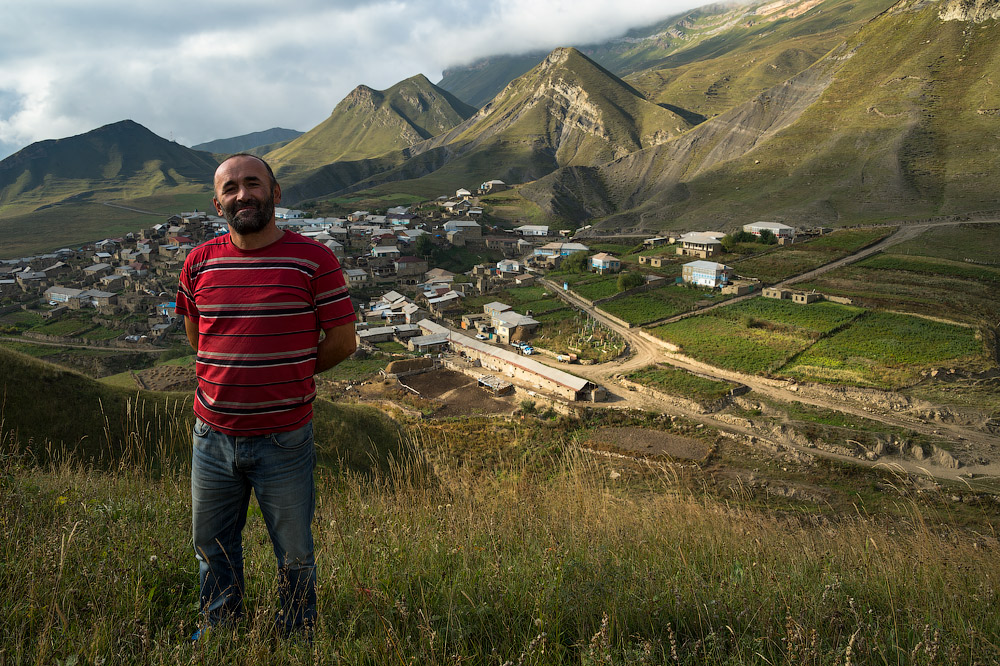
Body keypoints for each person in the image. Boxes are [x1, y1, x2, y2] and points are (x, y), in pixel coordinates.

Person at [175, 154, 357, 637]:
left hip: (284, 440)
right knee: (211, 544)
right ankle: (220, 630)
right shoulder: (198, 263)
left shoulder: (314, 259)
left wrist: (290, 374)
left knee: (294, 551)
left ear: (276, 193)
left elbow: (343, 342)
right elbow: (199, 340)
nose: (242, 195)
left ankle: (297, 632)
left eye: (252, 184)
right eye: (230, 189)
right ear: (218, 205)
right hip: (211, 438)